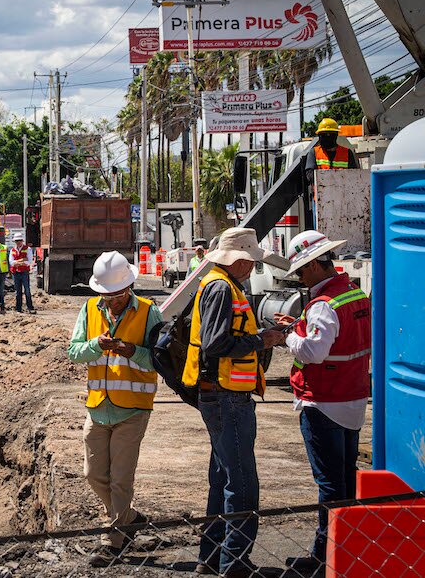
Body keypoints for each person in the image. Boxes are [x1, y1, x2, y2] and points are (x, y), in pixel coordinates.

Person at [182, 227, 286, 577]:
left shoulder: (220, 284)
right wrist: (262, 340)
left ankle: (212, 557)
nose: (253, 266)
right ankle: (235, 563)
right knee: (241, 482)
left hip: (221, 394)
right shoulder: (222, 288)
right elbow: (215, 343)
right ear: (239, 260)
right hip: (226, 396)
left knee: (223, 477)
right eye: (251, 260)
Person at [273, 231, 370, 575]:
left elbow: (314, 351)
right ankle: (345, 549)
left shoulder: (324, 304)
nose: (300, 278)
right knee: (345, 477)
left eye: (300, 271)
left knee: (330, 484)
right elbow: (339, 336)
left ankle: (325, 556)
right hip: (352, 398)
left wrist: (288, 336)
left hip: (324, 402)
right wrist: (300, 325)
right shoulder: (353, 292)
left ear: (314, 265)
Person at [67, 251, 162, 567]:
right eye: (106, 296)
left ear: (128, 287)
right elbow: (74, 352)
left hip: (132, 409)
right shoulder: (89, 309)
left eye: (117, 296)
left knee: (121, 480)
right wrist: (96, 345)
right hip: (98, 406)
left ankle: (113, 541)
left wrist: (131, 350)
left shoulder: (149, 312)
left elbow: (160, 360)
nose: (112, 302)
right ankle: (129, 518)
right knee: (93, 474)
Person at [10, 233, 36, 314]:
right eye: (17, 241)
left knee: (27, 290)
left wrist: (17, 262)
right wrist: (22, 260)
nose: (18, 242)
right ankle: (18, 308)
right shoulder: (12, 250)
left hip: (24, 272)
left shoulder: (28, 249)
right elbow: (11, 262)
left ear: (22, 241)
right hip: (15, 272)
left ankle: (30, 307)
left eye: (19, 240)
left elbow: (29, 261)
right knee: (18, 291)